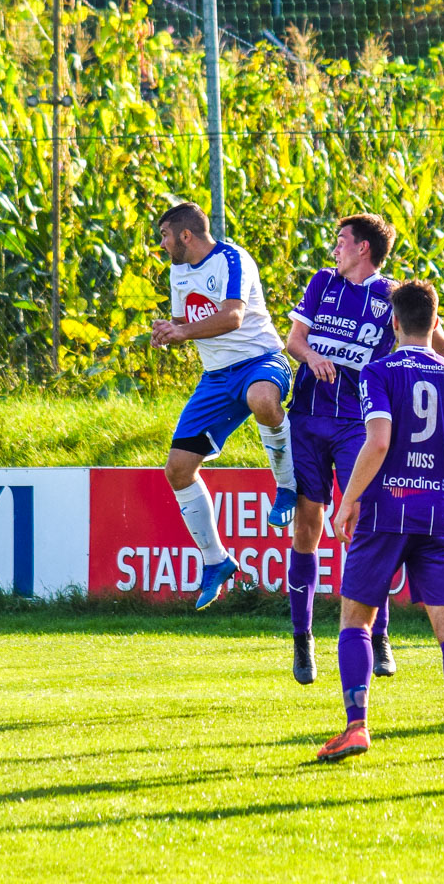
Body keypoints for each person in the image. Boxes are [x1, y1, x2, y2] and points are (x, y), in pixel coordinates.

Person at [284, 213, 444, 684]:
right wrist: (311, 356)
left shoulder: (390, 296)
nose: (335, 249)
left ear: (363, 248)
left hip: (359, 422)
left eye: (341, 241)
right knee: (307, 525)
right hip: (308, 416)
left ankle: (378, 636)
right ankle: (302, 640)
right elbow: (294, 339)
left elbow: (436, 340)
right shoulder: (323, 283)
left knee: (367, 520)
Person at [315, 280, 444, 762]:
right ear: (436, 324)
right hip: (438, 514)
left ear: (393, 323)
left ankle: (356, 727)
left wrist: (348, 500)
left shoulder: (377, 371)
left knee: (356, 617)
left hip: (384, 511)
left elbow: (378, 441)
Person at [152, 203, 298, 610]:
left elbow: (232, 317)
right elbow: (184, 323)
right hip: (216, 378)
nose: (162, 245)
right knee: (177, 469)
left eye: (165, 236)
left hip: (261, 361)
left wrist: (181, 331)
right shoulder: (178, 272)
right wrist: (168, 330)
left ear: (185, 236)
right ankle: (216, 560)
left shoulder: (233, 259)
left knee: (262, 399)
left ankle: (287, 487)